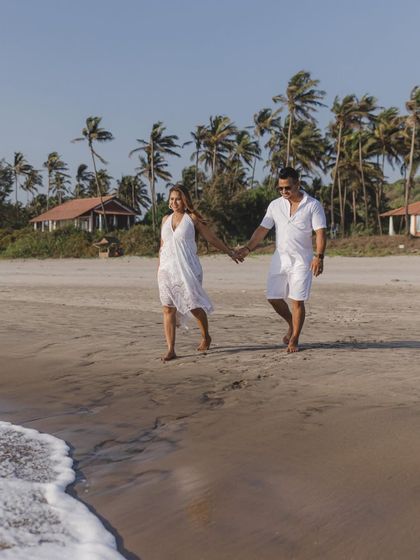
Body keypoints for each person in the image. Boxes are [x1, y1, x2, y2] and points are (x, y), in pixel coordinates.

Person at [237, 167, 327, 353]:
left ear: (297, 184)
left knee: (297, 301)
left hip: (302, 261)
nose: (284, 192)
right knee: (273, 297)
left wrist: (319, 257)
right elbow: (262, 229)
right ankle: (291, 324)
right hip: (280, 259)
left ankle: (295, 338)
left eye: (288, 188)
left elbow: (320, 233)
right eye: (280, 188)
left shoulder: (313, 205)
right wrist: (247, 248)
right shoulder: (275, 205)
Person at [158, 185, 241, 362]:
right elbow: (162, 246)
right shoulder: (165, 219)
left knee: (194, 306)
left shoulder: (192, 218)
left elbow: (211, 238)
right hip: (167, 270)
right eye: (172, 199)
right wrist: (159, 269)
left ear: (185, 200)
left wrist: (229, 251)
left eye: (178, 199)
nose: (174, 202)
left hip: (188, 268)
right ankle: (171, 349)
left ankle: (206, 336)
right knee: (167, 308)